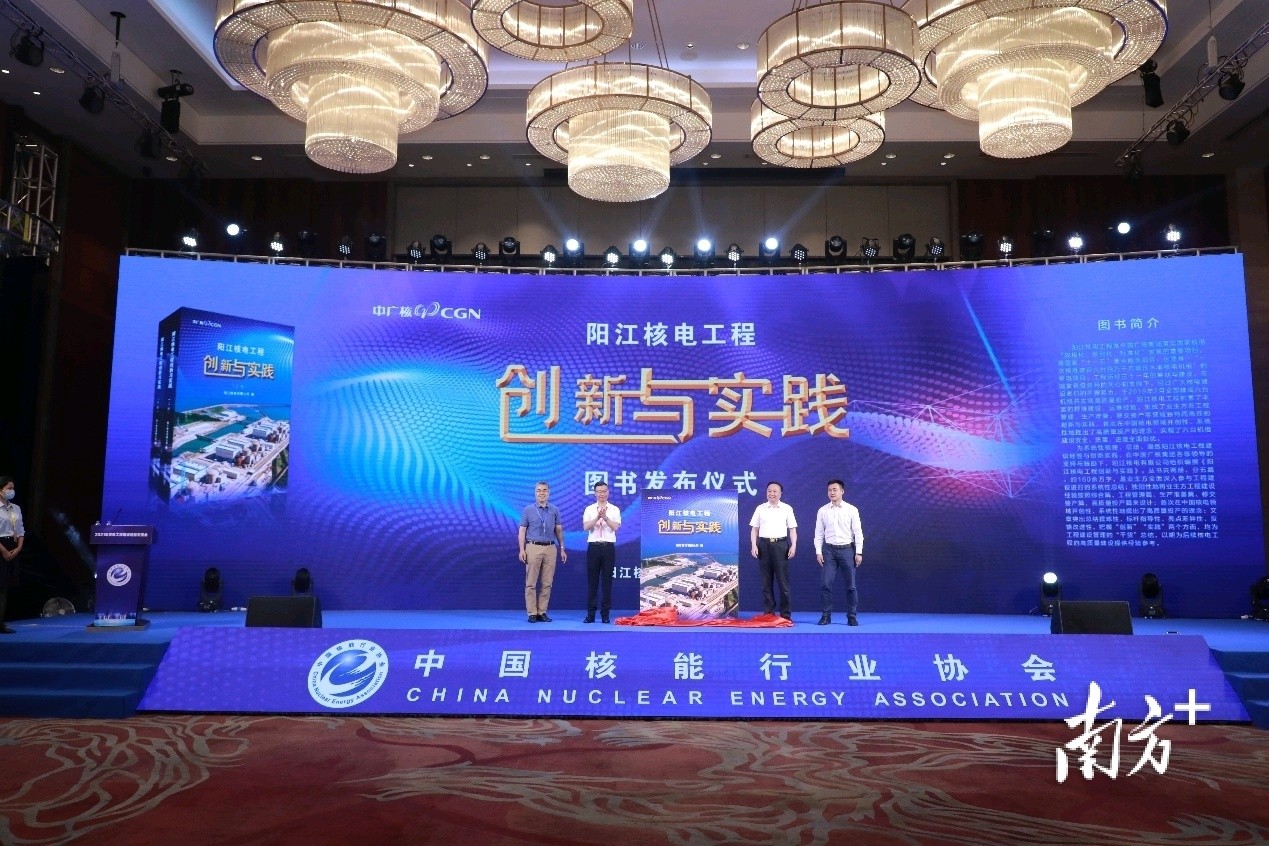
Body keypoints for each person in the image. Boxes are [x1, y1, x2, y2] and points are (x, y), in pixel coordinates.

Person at [813, 479, 864, 626]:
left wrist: (859, 552)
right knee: (825, 584)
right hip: (829, 551)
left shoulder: (851, 510)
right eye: (829, 490)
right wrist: (818, 551)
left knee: (851, 586)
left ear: (842, 491)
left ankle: (852, 616)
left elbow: (858, 532)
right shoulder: (822, 511)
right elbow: (819, 533)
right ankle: (826, 616)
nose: (832, 492)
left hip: (847, 550)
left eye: (835, 490)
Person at [518, 481, 566, 623]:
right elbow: (522, 530)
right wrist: (522, 549)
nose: (541, 493)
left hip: (550, 548)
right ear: (535, 493)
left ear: (549, 493)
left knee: (547, 583)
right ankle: (532, 613)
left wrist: (562, 548)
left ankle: (542, 612)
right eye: (539, 490)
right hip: (533, 547)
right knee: (531, 582)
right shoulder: (528, 510)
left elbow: (558, 530)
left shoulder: (554, 510)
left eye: (544, 490)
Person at [749, 481, 798, 619]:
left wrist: (793, 545)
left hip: (781, 545)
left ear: (780, 493)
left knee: (783, 582)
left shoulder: (787, 508)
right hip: (763, 545)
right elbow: (754, 529)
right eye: (769, 491)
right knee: (766, 582)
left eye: (775, 491)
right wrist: (754, 545)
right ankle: (769, 613)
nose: (772, 493)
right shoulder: (760, 508)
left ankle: (785, 615)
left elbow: (792, 529)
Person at [582, 481, 621, 624]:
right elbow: (586, 527)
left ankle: (605, 614)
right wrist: (597, 517)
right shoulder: (589, 509)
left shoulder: (614, 509)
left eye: (604, 491)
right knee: (592, 582)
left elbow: (615, 527)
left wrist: (605, 517)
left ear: (608, 492)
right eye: (599, 491)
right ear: (595, 493)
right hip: (593, 548)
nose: (601, 494)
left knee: (607, 582)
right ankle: (590, 614)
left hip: (608, 548)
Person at [0, 476, 24, 634]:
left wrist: (18, 547)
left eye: (13, 488)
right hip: (1, 545)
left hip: (13, 545)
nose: (12, 491)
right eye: (9, 488)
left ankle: (1, 622)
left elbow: (21, 530)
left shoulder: (16, 508)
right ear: (1, 490)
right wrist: (3, 550)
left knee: (6, 587)